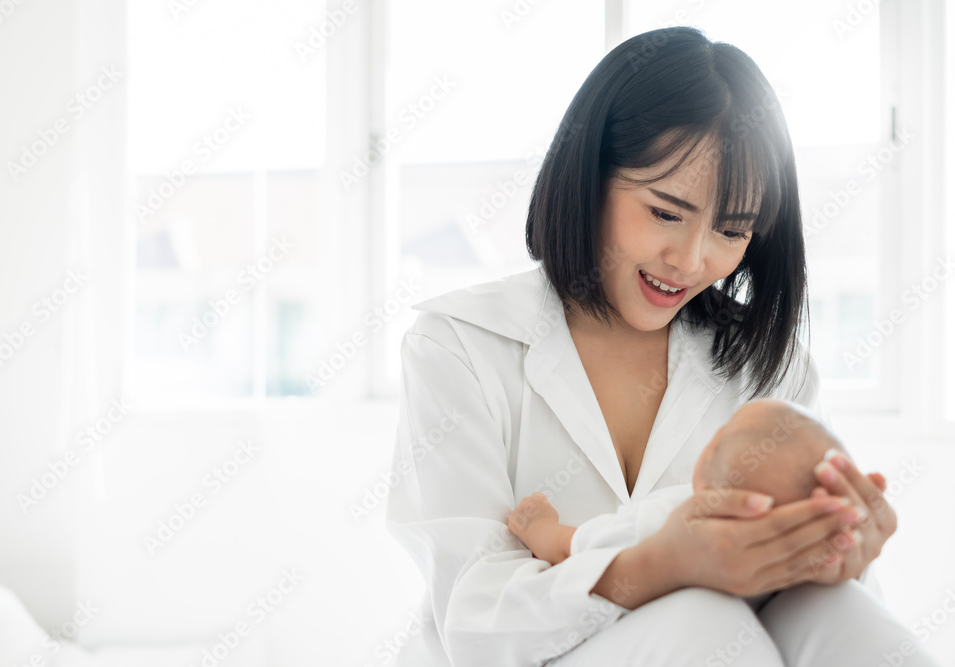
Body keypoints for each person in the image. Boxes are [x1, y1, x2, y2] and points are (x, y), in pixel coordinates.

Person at [385, 26, 938, 666]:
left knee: (840, 609)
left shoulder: (770, 369)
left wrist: (844, 554)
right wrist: (654, 567)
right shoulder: (459, 346)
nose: (693, 260)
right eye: (666, 213)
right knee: (698, 618)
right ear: (590, 177)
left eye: (732, 230)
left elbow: (816, 615)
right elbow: (474, 621)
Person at [506, 398, 881, 608]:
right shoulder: (798, 561)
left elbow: (573, 550)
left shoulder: (670, 517)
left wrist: (539, 526)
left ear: (701, 464)